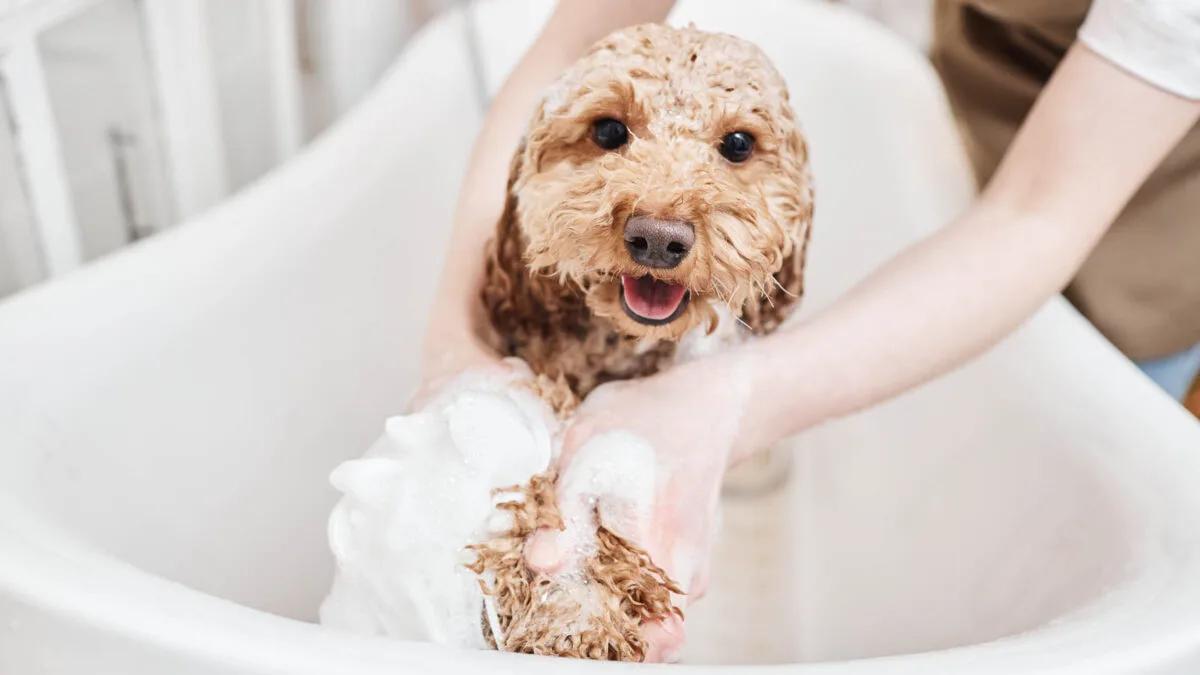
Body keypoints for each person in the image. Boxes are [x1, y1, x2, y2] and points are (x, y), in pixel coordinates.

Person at [419, 0, 1200, 661]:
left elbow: (1038, 212)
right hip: (982, 87)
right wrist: (455, 335)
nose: (659, 224)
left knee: (1089, 483)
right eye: (613, 134)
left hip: (1151, 195)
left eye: (734, 148)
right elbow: (566, 49)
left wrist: (736, 401)